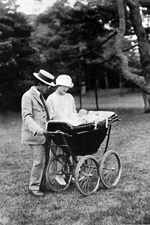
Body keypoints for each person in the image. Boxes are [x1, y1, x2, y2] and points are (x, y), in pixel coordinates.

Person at [21, 69, 55, 197]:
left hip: (45, 135)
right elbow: (27, 117)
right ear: (40, 84)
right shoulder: (27, 96)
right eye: (47, 86)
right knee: (39, 161)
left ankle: (43, 184)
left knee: (46, 160)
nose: (48, 89)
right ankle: (34, 187)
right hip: (35, 136)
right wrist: (37, 129)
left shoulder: (41, 96)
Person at [46, 75, 78, 185]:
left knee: (72, 150)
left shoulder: (70, 97)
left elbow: (73, 112)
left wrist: (75, 119)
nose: (65, 89)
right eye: (63, 86)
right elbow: (50, 116)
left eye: (67, 87)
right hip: (58, 128)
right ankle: (58, 174)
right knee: (59, 150)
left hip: (70, 127)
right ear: (58, 85)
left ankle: (70, 173)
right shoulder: (51, 98)